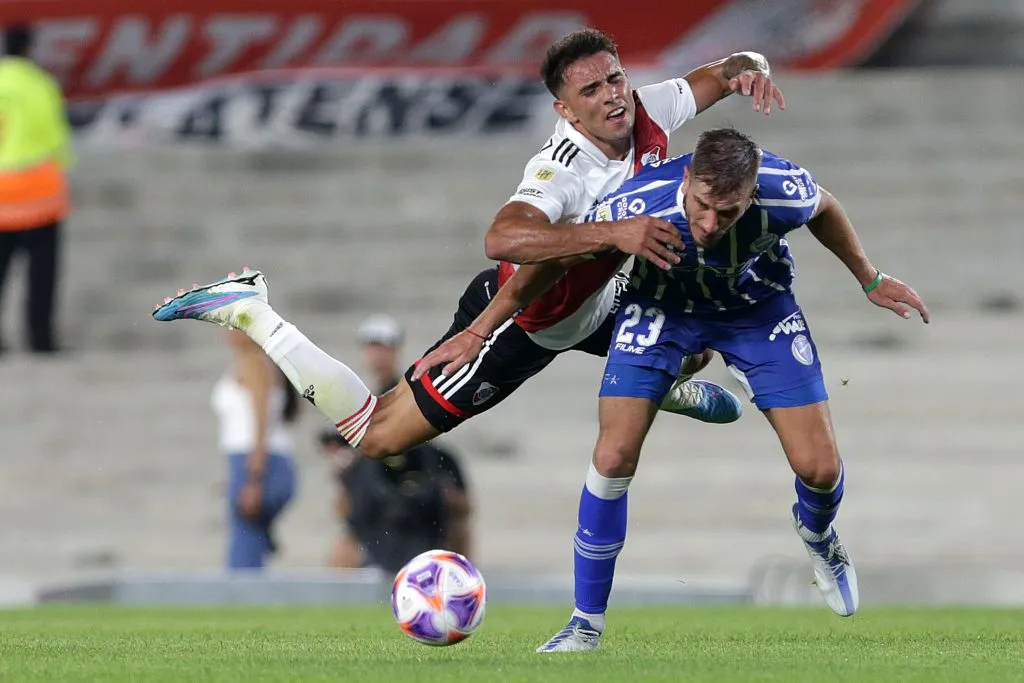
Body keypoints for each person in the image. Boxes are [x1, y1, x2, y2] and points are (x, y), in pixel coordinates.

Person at [150, 28, 784, 459]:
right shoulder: (562, 166)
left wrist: (753, 70)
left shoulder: (647, 110)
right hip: (526, 320)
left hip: (600, 304)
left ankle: (664, 375)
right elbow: (501, 236)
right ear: (565, 111)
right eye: (590, 91)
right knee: (377, 434)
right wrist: (613, 232)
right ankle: (253, 313)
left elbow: (725, 71)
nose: (611, 96)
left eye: (613, 80)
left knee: (695, 328)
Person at [422, 128, 931, 651]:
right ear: (686, 179)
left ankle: (819, 534)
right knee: (614, 453)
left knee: (819, 469)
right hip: (660, 309)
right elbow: (555, 262)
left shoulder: (784, 189)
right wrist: (479, 328)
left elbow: (825, 207)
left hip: (758, 312)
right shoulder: (639, 202)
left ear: (752, 194)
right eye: (702, 206)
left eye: (727, 213)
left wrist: (870, 278)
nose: (710, 224)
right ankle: (585, 624)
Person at [0, 24, 76, 354]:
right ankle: (40, 340)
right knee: (41, 277)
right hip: (39, 192)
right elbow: (56, 139)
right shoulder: (40, 84)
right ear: (30, 49)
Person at [319, 428, 473, 574]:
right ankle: (347, 592)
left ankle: (461, 581)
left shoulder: (440, 460)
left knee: (460, 530)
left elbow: (465, 510)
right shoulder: (364, 463)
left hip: (428, 540)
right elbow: (344, 511)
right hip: (375, 543)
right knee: (344, 541)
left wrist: (448, 497)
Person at [212, 329, 300, 570]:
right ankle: (264, 536)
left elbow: (260, 423)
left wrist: (254, 478)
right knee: (249, 532)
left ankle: (240, 596)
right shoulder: (255, 364)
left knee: (243, 537)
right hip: (255, 460)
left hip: (259, 461)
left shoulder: (254, 363)